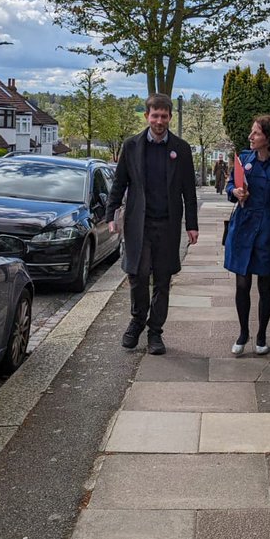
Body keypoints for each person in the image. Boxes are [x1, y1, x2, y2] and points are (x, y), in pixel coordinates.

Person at [107, 92, 199, 355]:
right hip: (139, 224)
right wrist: (110, 214)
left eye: (164, 116)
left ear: (170, 117)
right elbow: (119, 183)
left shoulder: (180, 149)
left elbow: (188, 190)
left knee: (162, 278)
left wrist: (192, 225)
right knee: (137, 275)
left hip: (168, 225)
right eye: (155, 115)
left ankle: (155, 332)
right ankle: (137, 320)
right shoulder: (132, 146)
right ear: (147, 116)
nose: (159, 120)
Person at [224, 114, 270, 355]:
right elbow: (229, 186)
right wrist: (235, 191)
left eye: (255, 133)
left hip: (268, 228)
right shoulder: (244, 159)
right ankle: (243, 332)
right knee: (242, 282)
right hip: (243, 226)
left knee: (265, 285)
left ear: (268, 138)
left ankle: (262, 335)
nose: (250, 136)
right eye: (252, 132)